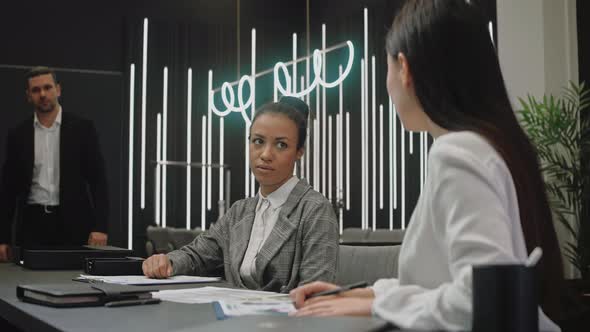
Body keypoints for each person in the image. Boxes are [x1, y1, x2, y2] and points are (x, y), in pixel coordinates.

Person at [288, 1, 564, 331]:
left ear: (403, 68)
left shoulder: (457, 152)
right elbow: (450, 282)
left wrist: (379, 303)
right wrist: (365, 294)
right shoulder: (490, 145)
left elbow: (483, 299)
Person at [142, 96, 339, 293]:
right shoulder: (240, 211)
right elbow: (198, 255)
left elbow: (315, 293)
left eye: (281, 145)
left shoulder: (315, 209)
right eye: (258, 141)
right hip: (233, 317)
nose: (265, 154)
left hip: (287, 321)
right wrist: (167, 261)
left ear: (299, 151)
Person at [0, 67, 109, 262]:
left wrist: (100, 227)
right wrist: (3, 238)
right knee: (29, 282)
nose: (42, 94)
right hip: (32, 224)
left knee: (75, 284)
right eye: (36, 90)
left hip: (74, 221)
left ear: (58, 90)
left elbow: (98, 181)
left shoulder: (82, 129)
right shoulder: (18, 135)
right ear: (28, 95)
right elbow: (7, 191)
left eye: (47, 87)